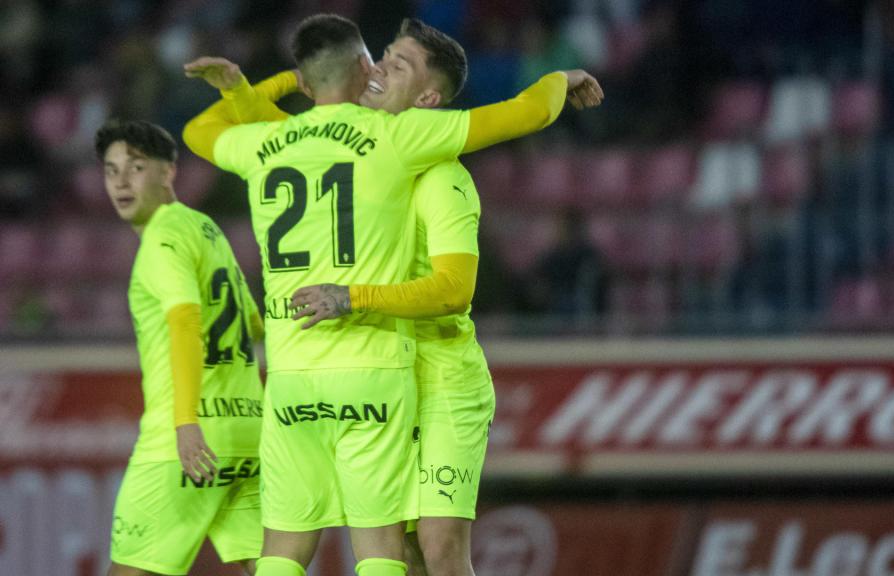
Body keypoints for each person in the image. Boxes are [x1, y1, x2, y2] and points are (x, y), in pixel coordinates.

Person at [181, 13, 601, 576]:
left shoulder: (442, 172)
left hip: (440, 374)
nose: (377, 67)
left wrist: (353, 296)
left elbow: (454, 289)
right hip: (381, 364)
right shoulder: (370, 143)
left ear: (428, 97)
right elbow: (276, 130)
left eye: (396, 64)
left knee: (438, 548)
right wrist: (272, 83)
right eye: (378, 55)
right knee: (394, 551)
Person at [97, 119, 265, 576]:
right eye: (111, 171)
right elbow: (254, 323)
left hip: (190, 441)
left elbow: (185, 320)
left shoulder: (163, 238)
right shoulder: (204, 228)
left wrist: (186, 423)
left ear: (169, 171)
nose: (122, 182)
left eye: (135, 167)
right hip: (250, 434)